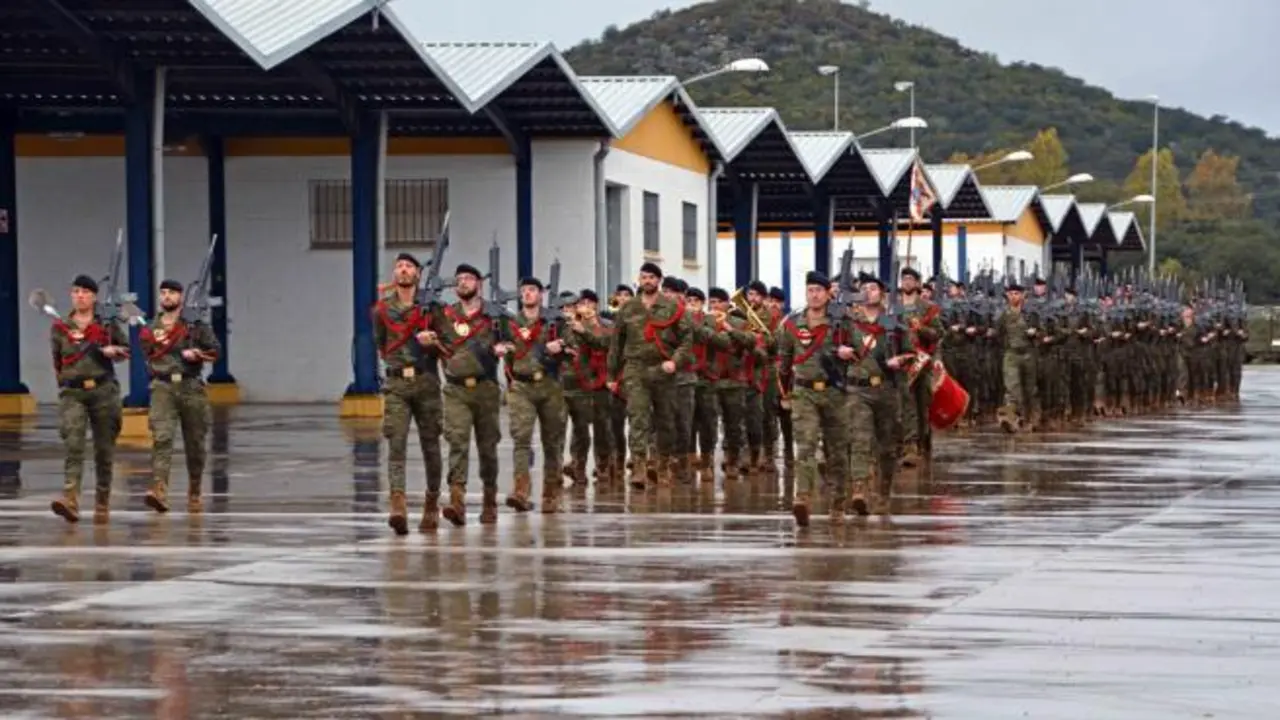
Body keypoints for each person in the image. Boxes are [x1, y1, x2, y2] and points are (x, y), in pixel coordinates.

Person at [372, 253, 444, 534]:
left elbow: (447, 346)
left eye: (409, 267)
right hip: (397, 385)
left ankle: (431, 503)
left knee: (431, 445)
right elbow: (381, 343)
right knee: (396, 443)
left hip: (426, 382)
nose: (403, 270)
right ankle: (398, 505)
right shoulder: (382, 310)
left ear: (417, 274)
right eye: (399, 266)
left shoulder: (431, 309)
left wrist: (432, 342)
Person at [49, 274, 129, 524]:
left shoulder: (106, 324)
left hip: (103, 390)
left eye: (84, 292)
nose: (79, 296)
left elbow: (126, 350)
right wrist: (63, 385)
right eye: (75, 291)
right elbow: (57, 361)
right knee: (73, 443)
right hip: (73, 393)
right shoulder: (60, 327)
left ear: (94, 297)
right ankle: (70, 498)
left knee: (104, 449)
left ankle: (102, 501)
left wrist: (112, 351)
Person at [777, 271, 854, 527]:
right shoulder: (792, 324)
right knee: (806, 445)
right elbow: (784, 362)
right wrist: (784, 393)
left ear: (828, 293)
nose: (814, 295)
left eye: (819, 290)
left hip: (834, 392)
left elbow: (863, 353)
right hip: (804, 393)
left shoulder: (843, 322)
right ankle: (802, 498)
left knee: (837, 451)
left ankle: (838, 503)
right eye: (810, 290)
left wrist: (848, 354)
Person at [608, 262, 693, 490]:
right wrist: (611, 374)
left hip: (663, 370)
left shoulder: (672, 307)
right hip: (635, 369)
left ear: (659, 280)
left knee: (666, 421)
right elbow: (617, 342)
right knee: (638, 417)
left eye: (652, 278)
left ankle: (663, 464)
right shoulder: (629, 308)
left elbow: (687, 339)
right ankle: (638, 466)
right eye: (644, 277)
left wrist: (675, 362)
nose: (647, 281)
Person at [140, 279, 222, 515]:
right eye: (163, 293)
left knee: (195, 442)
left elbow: (215, 350)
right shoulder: (152, 326)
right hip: (163, 386)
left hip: (190, 386)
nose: (166, 297)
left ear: (181, 297)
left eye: (172, 293)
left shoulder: (195, 325)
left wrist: (198, 354)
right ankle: (159, 490)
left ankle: (194, 488)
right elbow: (147, 348)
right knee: (162, 438)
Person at [435, 263, 506, 525]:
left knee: (488, 447)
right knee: (457, 441)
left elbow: (517, 340)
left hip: (485, 387)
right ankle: (457, 500)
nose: (462, 282)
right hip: (455, 388)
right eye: (459, 279)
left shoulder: (495, 315)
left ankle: (489, 500)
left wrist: (504, 348)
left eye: (468, 278)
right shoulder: (445, 315)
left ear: (479, 283)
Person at [501, 277, 568, 513]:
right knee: (521, 438)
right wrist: (511, 381)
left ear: (541, 294)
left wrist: (560, 345)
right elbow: (508, 355)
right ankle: (521, 490)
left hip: (549, 385)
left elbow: (572, 347)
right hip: (522, 386)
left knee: (552, 441)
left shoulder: (554, 320)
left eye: (532, 290)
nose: (527, 294)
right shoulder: (510, 323)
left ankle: (551, 492)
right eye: (524, 291)